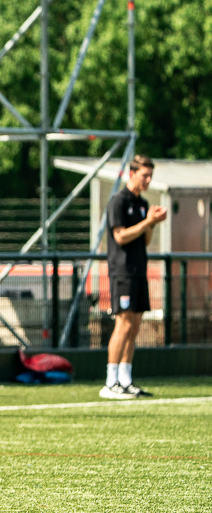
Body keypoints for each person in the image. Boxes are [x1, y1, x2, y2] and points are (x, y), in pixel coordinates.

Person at [100, 155, 166, 400]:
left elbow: (145, 240)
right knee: (124, 323)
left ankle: (126, 380)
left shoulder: (142, 203)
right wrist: (146, 221)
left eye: (150, 176)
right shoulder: (118, 201)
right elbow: (120, 236)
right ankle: (110, 381)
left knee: (135, 325)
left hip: (139, 270)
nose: (148, 180)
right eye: (144, 175)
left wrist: (152, 223)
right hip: (123, 271)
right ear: (132, 174)